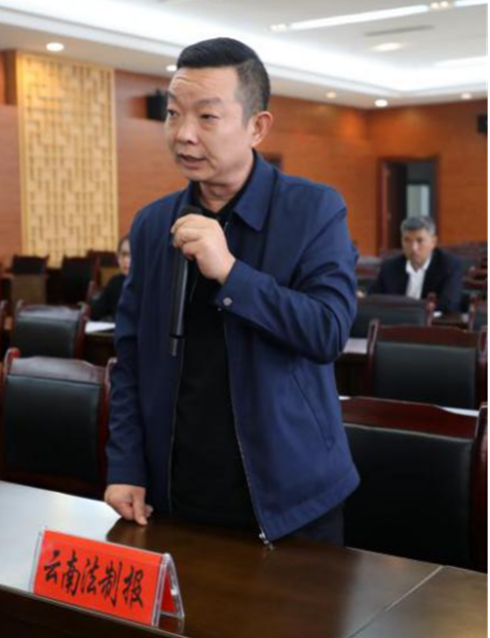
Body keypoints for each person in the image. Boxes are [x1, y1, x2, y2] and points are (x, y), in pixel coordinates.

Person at [105, 38, 359, 546]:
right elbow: (130, 357)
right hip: (174, 489)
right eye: (173, 114)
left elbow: (327, 331)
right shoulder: (154, 224)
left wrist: (231, 272)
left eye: (206, 117)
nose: (183, 134)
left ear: (257, 127)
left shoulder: (314, 210)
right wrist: (126, 464)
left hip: (290, 496)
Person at [369, 216, 463, 313]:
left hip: (433, 322)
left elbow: (449, 304)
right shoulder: (389, 267)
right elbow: (374, 299)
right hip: (396, 321)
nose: (413, 248)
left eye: (420, 241)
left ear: (433, 242)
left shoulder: (448, 266)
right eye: (407, 240)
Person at [89, 236, 131, 321]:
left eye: (132, 255)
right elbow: (96, 312)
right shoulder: (115, 283)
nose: (126, 260)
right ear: (118, 257)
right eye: (123, 254)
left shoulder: (150, 285)